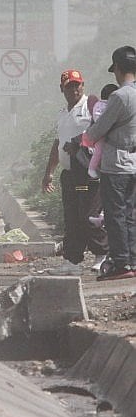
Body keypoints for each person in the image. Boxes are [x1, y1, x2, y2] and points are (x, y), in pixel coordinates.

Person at [43, 69, 108, 275]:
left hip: (89, 172)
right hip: (70, 174)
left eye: (76, 85)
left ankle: (102, 255)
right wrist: (49, 172)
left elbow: (103, 132)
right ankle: (72, 261)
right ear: (61, 89)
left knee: (90, 216)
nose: (73, 89)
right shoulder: (62, 114)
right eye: (69, 86)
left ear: (83, 86)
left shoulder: (92, 106)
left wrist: (80, 143)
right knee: (71, 218)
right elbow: (57, 144)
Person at [84, 46, 136, 280]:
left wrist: (88, 136)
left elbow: (98, 130)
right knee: (131, 214)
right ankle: (132, 260)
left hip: (116, 165)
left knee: (115, 214)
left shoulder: (119, 96)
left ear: (117, 67)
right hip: (134, 161)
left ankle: (121, 263)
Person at [81, 83, 119, 179]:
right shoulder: (101, 105)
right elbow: (98, 119)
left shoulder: (110, 106)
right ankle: (92, 168)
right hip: (101, 136)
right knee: (99, 151)